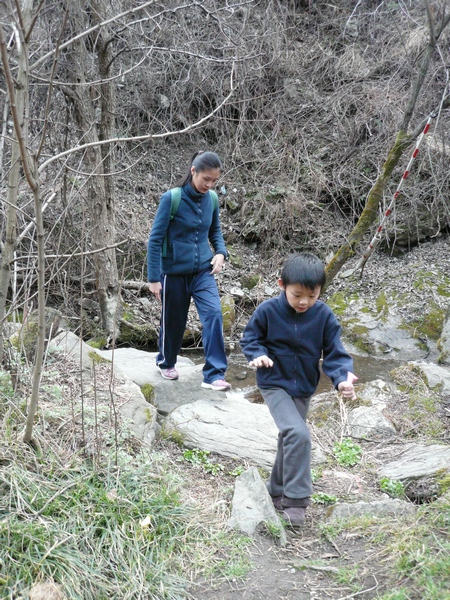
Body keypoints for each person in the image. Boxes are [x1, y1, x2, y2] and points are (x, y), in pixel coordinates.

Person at [239, 252, 357, 526]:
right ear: (282, 285)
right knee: (297, 433)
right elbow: (250, 337)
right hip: (273, 382)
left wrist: (341, 379)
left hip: (304, 386)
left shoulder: (324, 315)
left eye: (312, 295)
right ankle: (296, 500)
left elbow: (335, 353)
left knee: (289, 438)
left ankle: (276, 490)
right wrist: (257, 354)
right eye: (297, 294)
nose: (304, 301)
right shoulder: (268, 310)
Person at [146, 151, 231, 391]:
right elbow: (154, 240)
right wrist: (154, 279)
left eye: (214, 181)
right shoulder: (172, 199)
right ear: (193, 171)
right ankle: (166, 362)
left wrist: (220, 253)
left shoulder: (212, 199)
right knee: (174, 322)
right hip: (173, 272)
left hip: (202, 272)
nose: (210, 185)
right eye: (206, 179)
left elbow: (215, 232)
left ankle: (214, 374)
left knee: (214, 314)